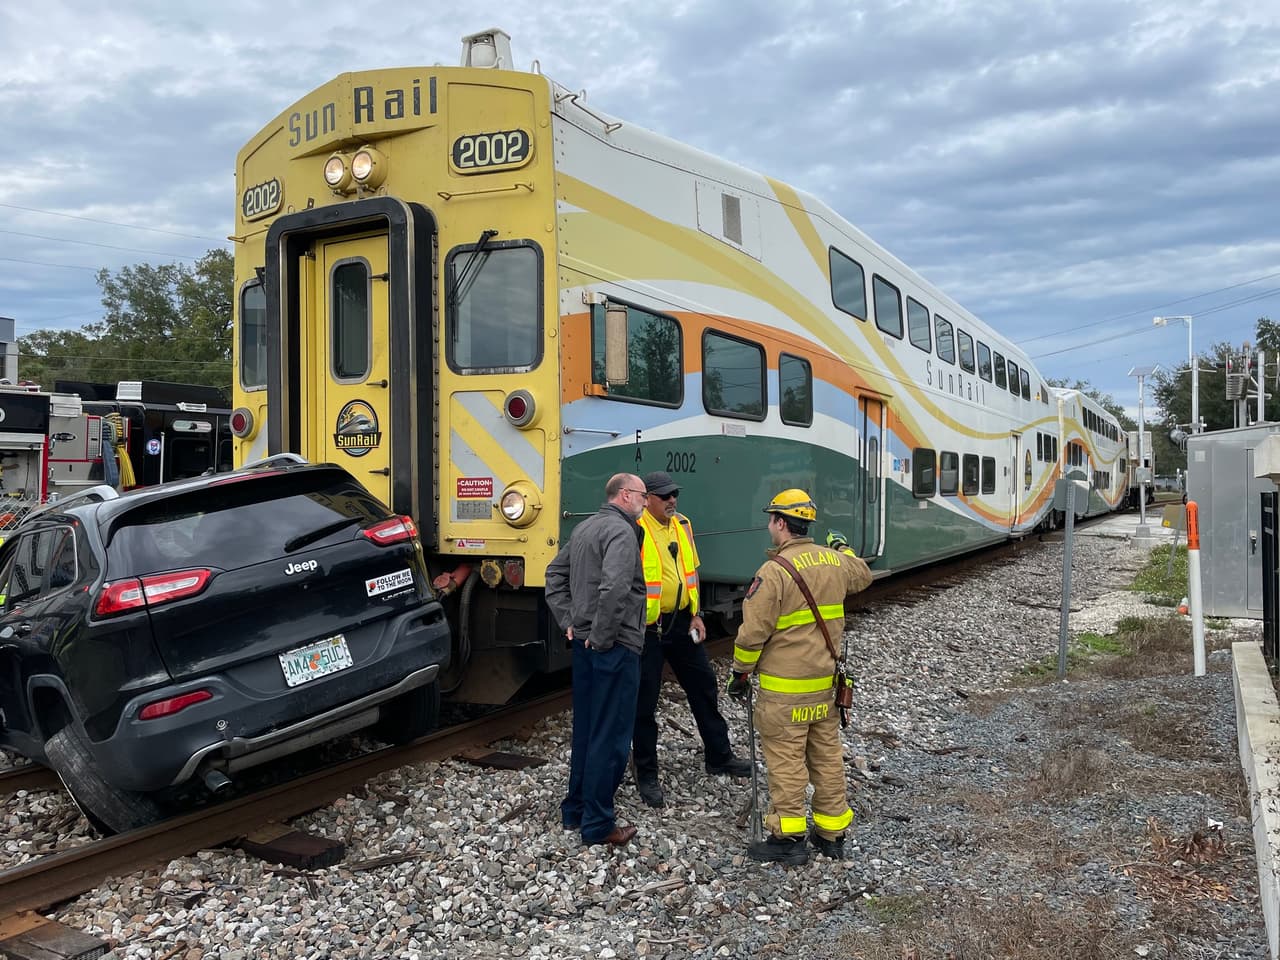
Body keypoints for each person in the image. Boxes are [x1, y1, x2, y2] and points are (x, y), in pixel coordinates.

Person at [726, 488, 873, 865]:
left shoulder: (773, 572)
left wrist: (739, 674)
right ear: (806, 524)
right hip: (824, 688)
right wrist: (843, 548)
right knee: (826, 758)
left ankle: (788, 838)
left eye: (771, 520)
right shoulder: (834, 562)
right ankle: (831, 834)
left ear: (779, 523)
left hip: (784, 692)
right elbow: (863, 574)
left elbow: (752, 634)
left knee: (787, 760)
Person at [631, 470, 752, 808]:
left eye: (675, 495)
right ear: (647, 498)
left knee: (704, 687)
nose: (672, 500)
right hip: (648, 628)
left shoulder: (682, 524)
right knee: (644, 701)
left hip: (683, 622)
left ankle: (719, 755)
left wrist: (697, 613)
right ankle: (646, 773)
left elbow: (691, 572)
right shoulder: (635, 527)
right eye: (665, 495)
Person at [545, 472, 648, 846]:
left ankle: (574, 810)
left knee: (587, 730)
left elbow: (553, 574)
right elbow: (615, 587)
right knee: (612, 734)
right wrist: (603, 637)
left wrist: (570, 621)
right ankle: (599, 824)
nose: (646, 501)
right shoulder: (621, 533)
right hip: (613, 646)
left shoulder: (586, 528)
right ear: (624, 495)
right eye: (642, 495)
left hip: (587, 645)